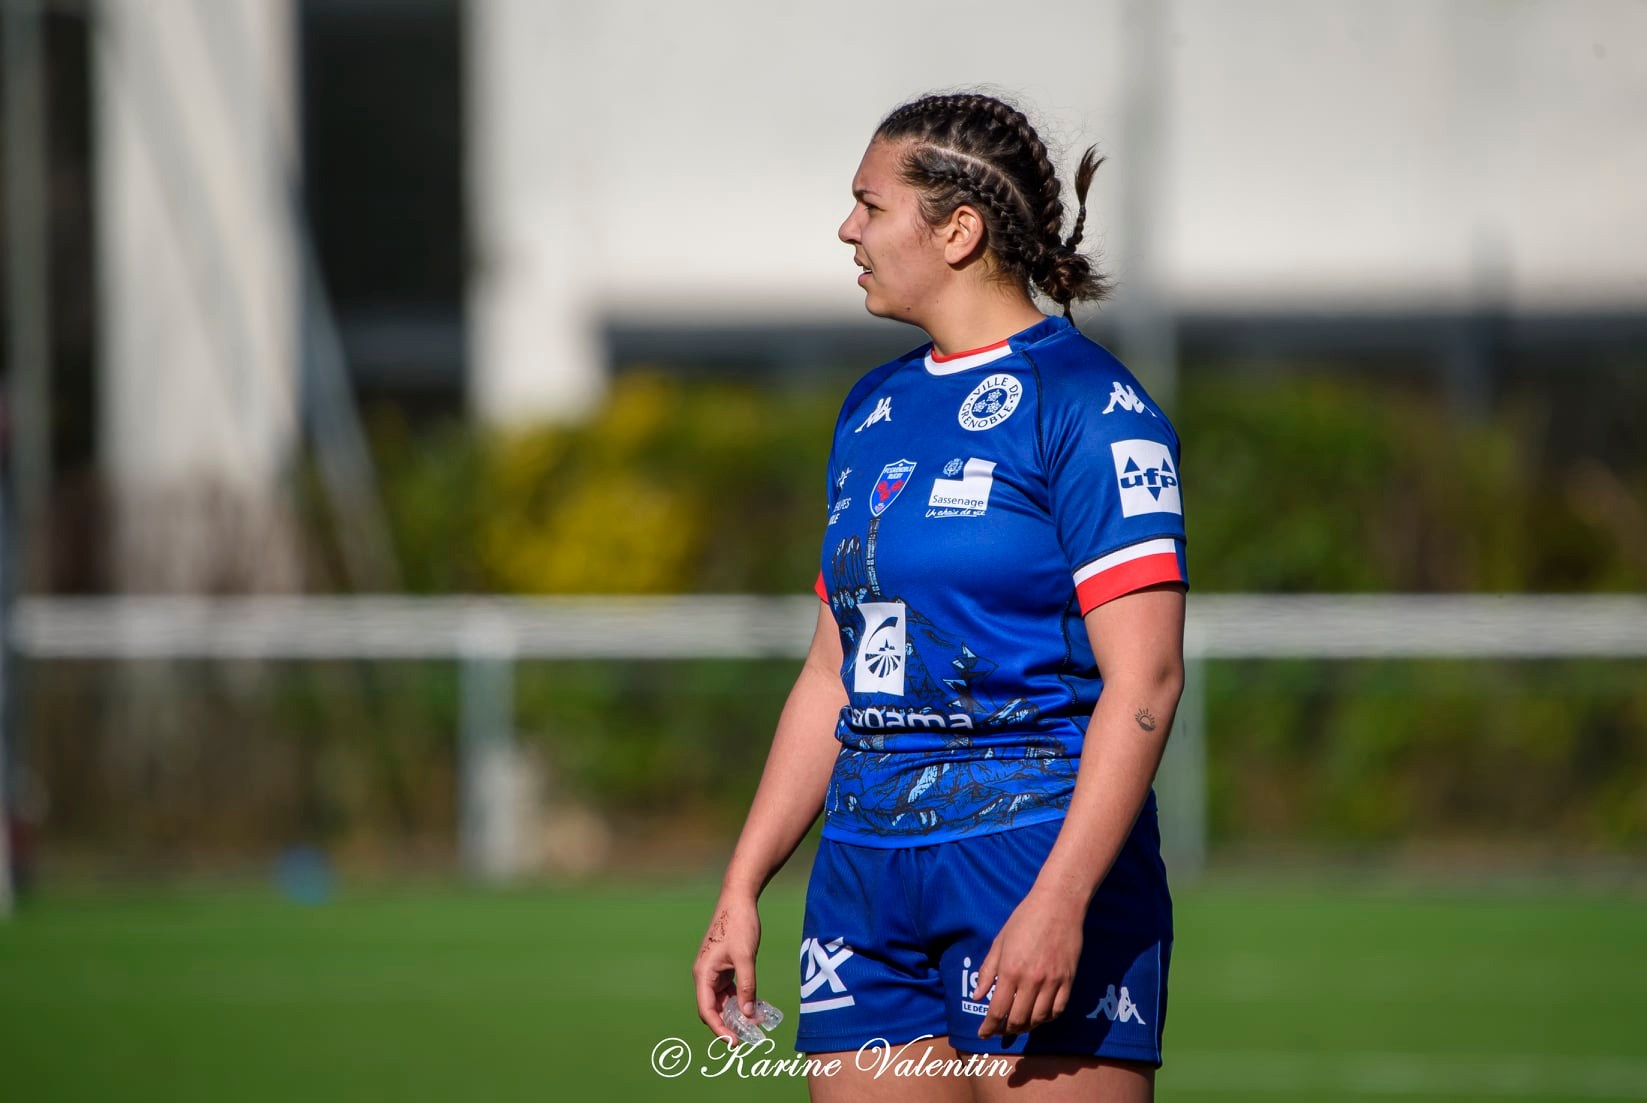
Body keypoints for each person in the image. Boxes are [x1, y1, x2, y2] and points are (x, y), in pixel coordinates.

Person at [693, 91, 1188, 1102]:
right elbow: (835, 670)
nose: (848, 229)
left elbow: (1147, 680)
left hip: (1030, 859)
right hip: (866, 876)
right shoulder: (872, 406)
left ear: (957, 229)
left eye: (869, 205)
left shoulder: (1091, 406)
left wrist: (1062, 897)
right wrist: (743, 885)